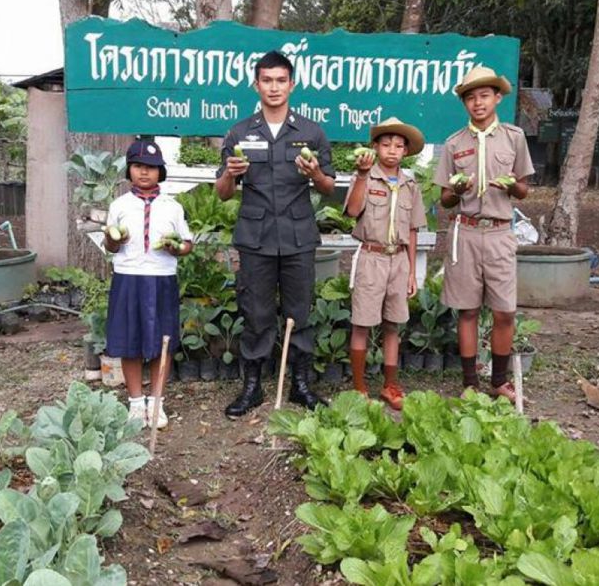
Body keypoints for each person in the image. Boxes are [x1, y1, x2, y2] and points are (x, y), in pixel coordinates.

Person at [216, 50, 336, 418]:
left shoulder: (311, 132)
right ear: (256, 84)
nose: (273, 87)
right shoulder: (240, 131)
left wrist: (315, 174)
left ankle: (300, 384)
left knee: (300, 311)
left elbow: (329, 187)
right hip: (256, 237)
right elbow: (222, 192)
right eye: (266, 80)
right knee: (256, 312)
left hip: (299, 235)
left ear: (292, 85)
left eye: (280, 80)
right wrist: (231, 174)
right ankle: (252, 386)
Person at [433, 66, 534, 402]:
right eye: (471, 97)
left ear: (498, 97)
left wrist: (511, 185)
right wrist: (457, 189)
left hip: (501, 232)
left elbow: (524, 189)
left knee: (505, 310)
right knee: (468, 310)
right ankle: (470, 383)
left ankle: (499, 380)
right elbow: (445, 199)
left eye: (484, 95)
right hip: (466, 232)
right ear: (465, 103)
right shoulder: (453, 143)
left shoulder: (514, 137)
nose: (478, 103)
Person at [104, 139, 193, 428]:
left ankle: (156, 403)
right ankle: (134, 402)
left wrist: (175, 248)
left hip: (161, 278)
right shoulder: (119, 206)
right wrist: (114, 239)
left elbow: (187, 243)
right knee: (130, 341)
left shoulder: (173, 207)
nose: (145, 173)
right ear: (129, 170)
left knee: (161, 341)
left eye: (152, 168)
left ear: (161, 173)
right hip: (128, 278)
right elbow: (111, 247)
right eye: (138, 166)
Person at [343, 117, 427, 410]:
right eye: (386, 144)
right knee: (362, 323)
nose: (392, 150)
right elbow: (353, 211)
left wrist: (412, 273)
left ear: (405, 152)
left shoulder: (410, 184)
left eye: (399, 146)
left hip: (399, 260)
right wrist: (363, 176)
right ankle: (359, 387)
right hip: (371, 257)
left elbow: (414, 229)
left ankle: (390, 386)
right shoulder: (365, 177)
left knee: (394, 325)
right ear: (376, 147)